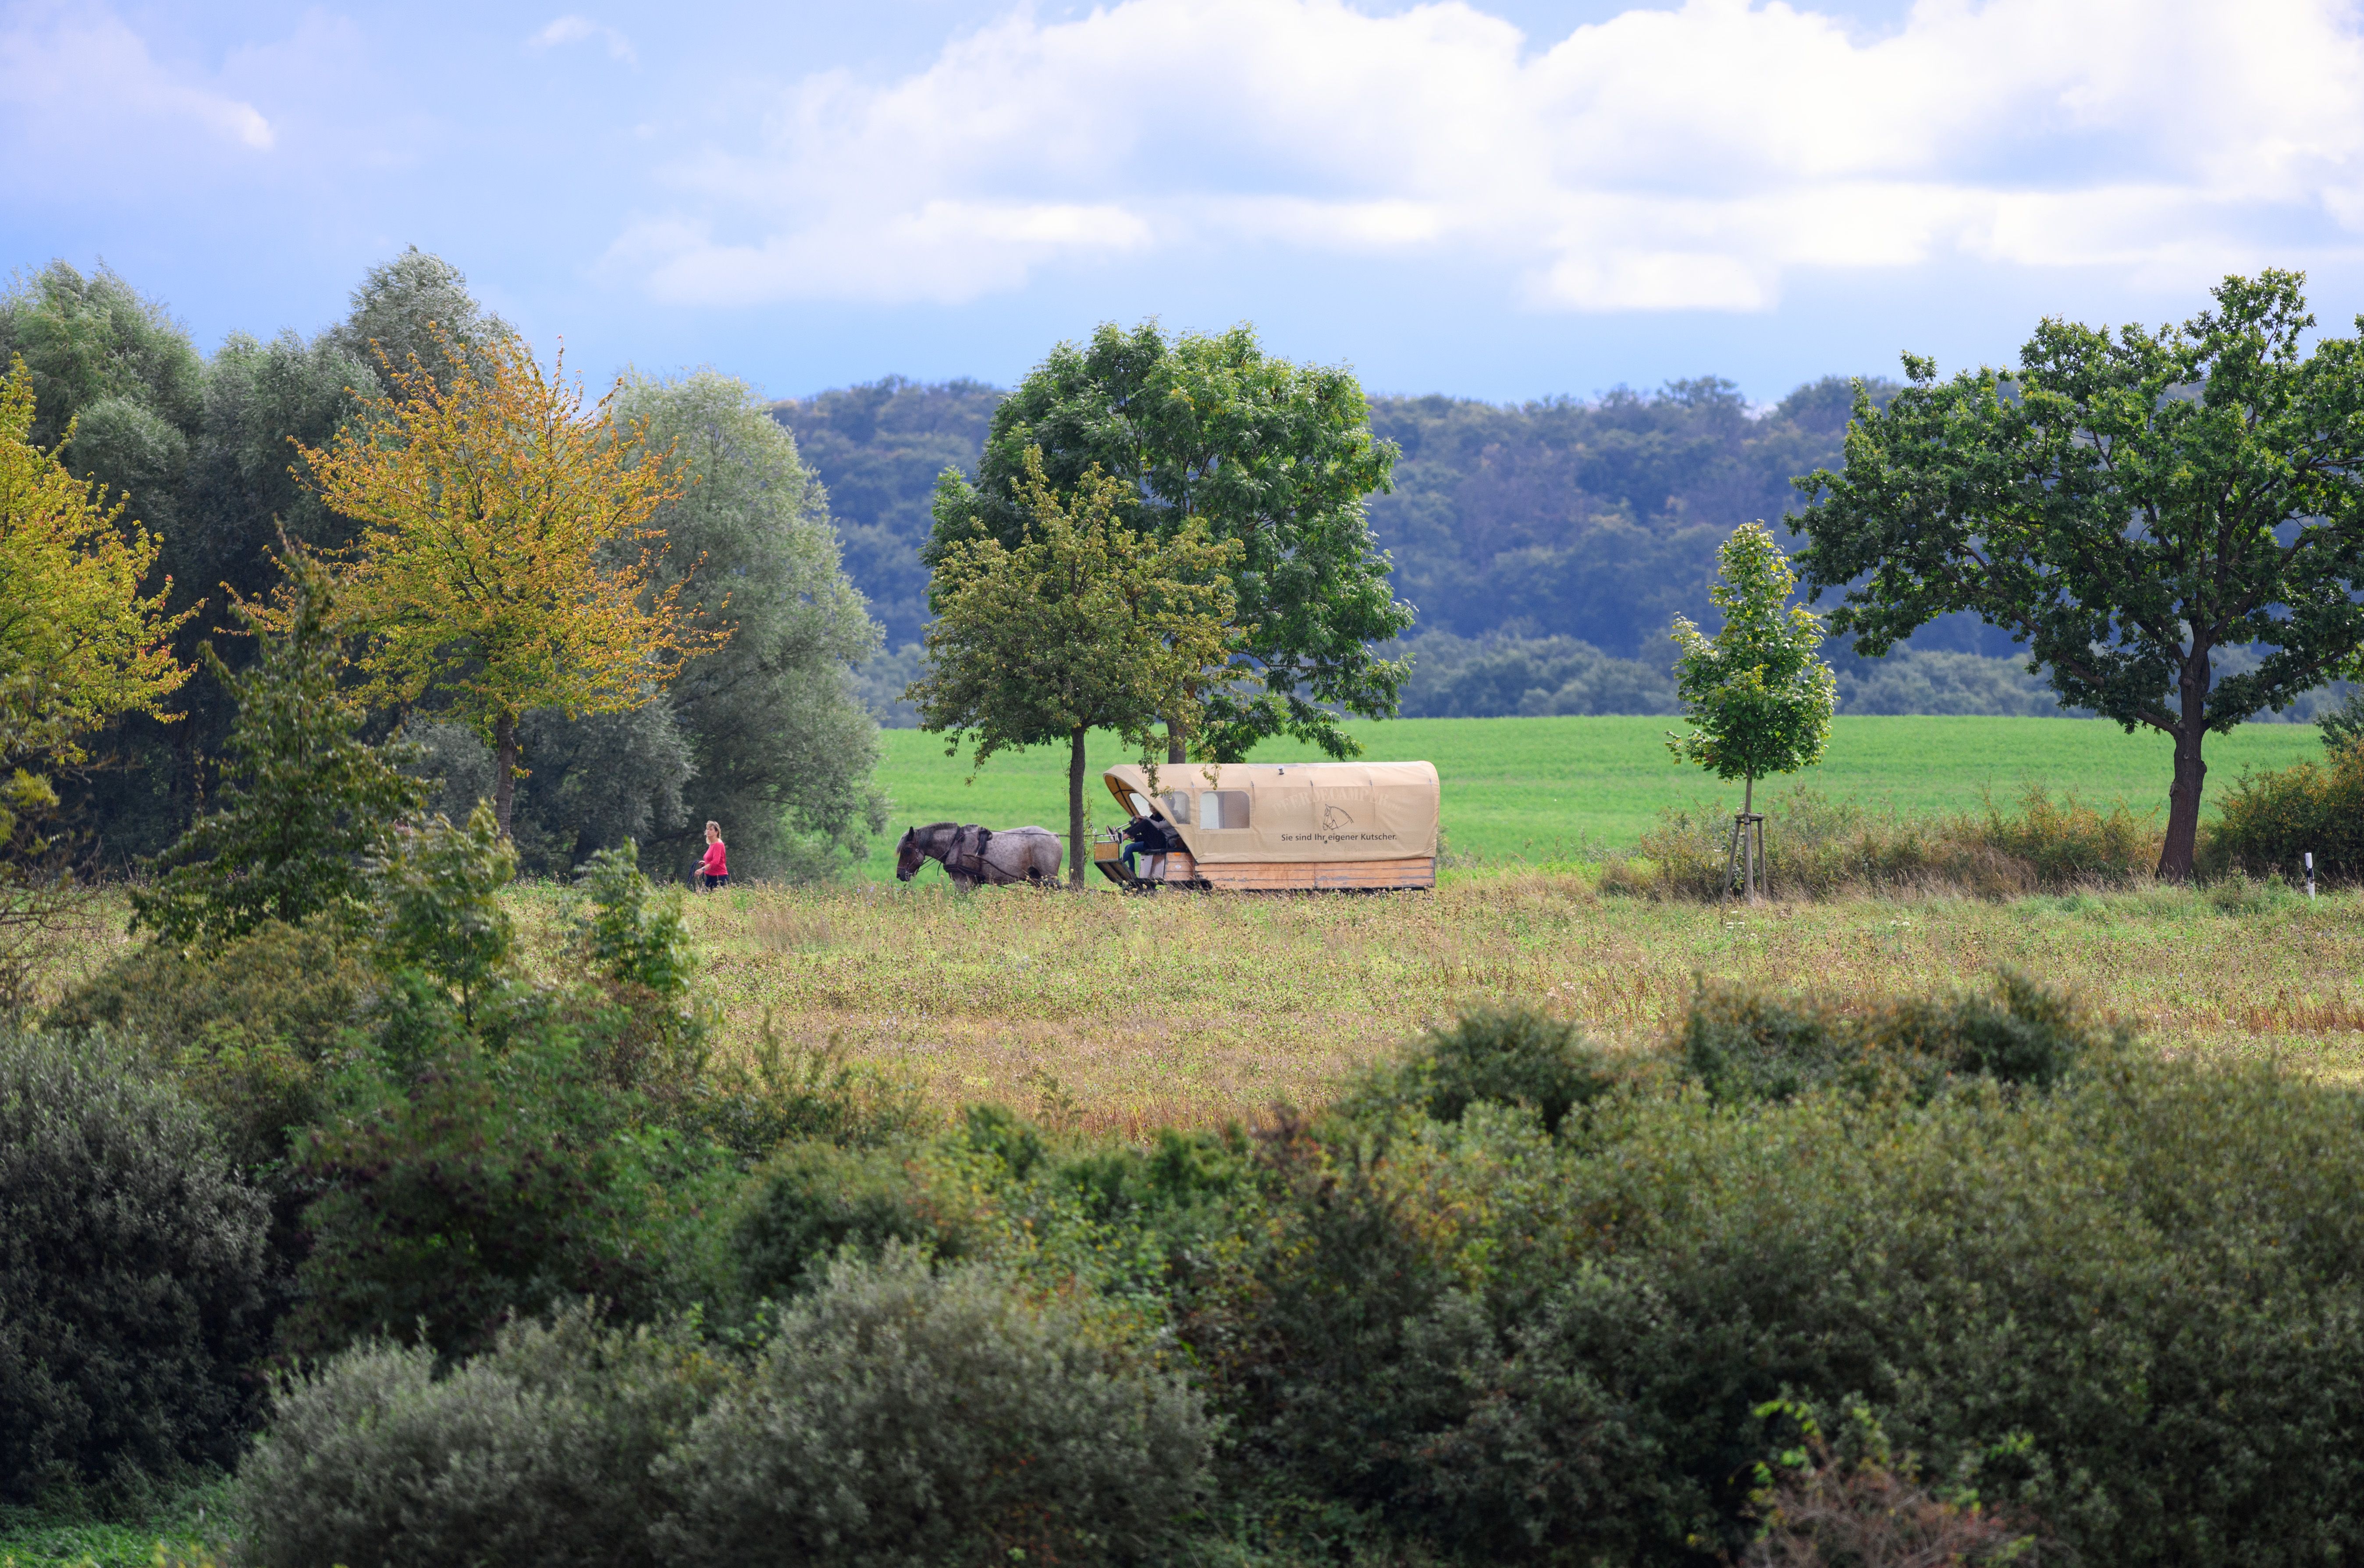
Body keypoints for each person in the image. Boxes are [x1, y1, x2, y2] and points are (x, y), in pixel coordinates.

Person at [1119, 812, 1178, 880]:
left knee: (1145, 823)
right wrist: (1137, 838)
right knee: (1129, 847)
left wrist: (1145, 818)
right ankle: (1132, 872)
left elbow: (1159, 826)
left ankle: (1120, 863)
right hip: (1157, 842)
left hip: (1165, 843)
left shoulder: (1174, 818)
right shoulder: (1165, 817)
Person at [698, 820, 729, 890]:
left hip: (719, 877)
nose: (708, 831)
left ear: (716, 832)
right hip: (711, 877)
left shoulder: (718, 844)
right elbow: (713, 861)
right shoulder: (712, 844)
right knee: (705, 898)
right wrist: (705, 864)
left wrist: (702, 869)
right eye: (708, 829)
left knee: (715, 899)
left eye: (711, 830)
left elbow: (716, 862)